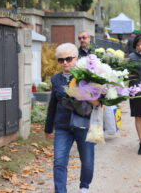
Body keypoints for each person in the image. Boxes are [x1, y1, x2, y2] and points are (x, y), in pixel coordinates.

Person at [44, 43, 100, 193]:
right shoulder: (56, 80)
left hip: (83, 125)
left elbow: (97, 102)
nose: (65, 63)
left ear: (76, 58)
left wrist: (80, 93)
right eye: (61, 60)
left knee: (87, 162)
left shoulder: (88, 77)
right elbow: (52, 105)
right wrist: (48, 128)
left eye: (68, 59)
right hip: (62, 126)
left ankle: (84, 187)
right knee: (59, 162)